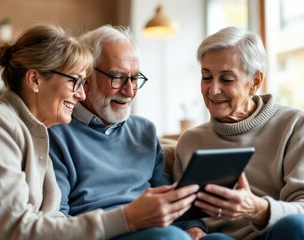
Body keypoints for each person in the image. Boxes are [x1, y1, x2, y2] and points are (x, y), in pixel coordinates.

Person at [0, 23, 197, 240]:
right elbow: (18, 230)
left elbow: (53, 220)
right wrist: (127, 218)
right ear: (35, 79)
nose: (81, 94)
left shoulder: (38, 130)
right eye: (75, 82)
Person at [173, 26, 304, 240]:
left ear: (255, 82)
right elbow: (184, 211)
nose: (213, 90)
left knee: (293, 227)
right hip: (227, 238)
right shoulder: (190, 141)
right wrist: (193, 228)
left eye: (226, 79)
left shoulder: (294, 124)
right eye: (206, 77)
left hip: (289, 232)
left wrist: (257, 209)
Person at [48, 25, 206, 240]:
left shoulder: (145, 131)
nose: (130, 91)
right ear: (86, 77)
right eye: (117, 77)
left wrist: (193, 228)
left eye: (134, 78)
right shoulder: (56, 134)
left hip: (160, 232)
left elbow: (171, 198)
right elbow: (58, 219)